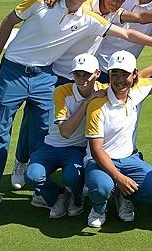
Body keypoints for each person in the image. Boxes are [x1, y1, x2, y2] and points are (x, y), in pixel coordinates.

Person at [0, 0, 152, 220]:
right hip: (34, 71)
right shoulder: (54, 1)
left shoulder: (97, 17)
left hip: (65, 75)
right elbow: (9, 21)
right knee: (3, 133)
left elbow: (130, 30)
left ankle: (50, 186)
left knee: (45, 132)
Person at [84, 50, 152, 227]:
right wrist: (119, 177)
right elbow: (96, 150)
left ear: (134, 74)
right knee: (101, 187)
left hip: (129, 158)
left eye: (125, 74)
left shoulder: (138, 90)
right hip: (99, 161)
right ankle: (99, 207)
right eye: (115, 73)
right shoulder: (97, 104)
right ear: (109, 74)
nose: (120, 79)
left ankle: (124, 196)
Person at [25, 53, 107, 219]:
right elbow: (65, 132)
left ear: (97, 73)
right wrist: (86, 102)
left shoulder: (105, 91)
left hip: (77, 149)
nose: (82, 78)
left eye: (87, 74)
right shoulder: (62, 91)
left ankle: (77, 200)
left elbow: (134, 80)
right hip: (51, 145)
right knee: (32, 175)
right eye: (77, 74)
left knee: (71, 176)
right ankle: (59, 195)